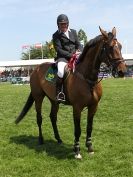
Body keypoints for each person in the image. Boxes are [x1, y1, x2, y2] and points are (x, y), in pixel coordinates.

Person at [52, 14, 83, 102]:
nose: (63, 26)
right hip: (63, 58)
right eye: (61, 24)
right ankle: (59, 93)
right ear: (58, 25)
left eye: (65, 24)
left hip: (76, 56)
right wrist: (71, 55)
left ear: (67, 24)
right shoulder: (56, 35)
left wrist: (79, 51)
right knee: (61, 71)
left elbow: (79, 44)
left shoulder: (73, 32)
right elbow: (59, 50)